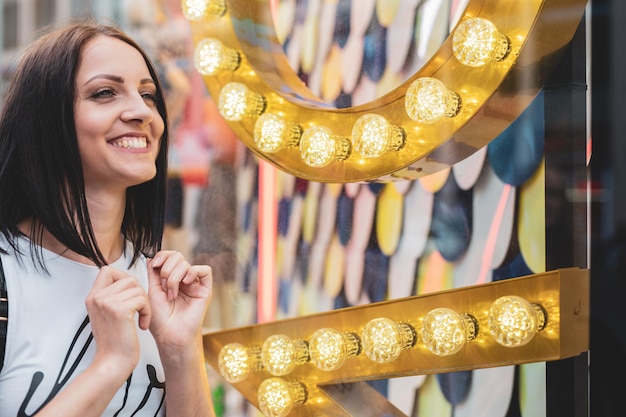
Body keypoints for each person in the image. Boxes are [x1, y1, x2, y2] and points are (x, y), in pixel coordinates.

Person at [0, 19, 216, 417]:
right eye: (104, 93)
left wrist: (180, 349)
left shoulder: (158, 286)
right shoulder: (8, 276)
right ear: (45, 121)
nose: (141, 111)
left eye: (148, 95)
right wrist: (112, 363)